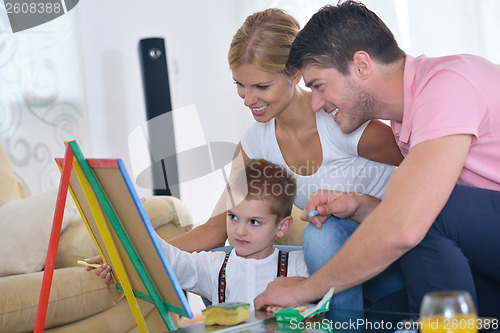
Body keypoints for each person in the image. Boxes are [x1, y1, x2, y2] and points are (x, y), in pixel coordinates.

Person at [87, 8, 404, 310]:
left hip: (395, 253)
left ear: (295, 74)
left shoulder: (345, 123)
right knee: (232, 263)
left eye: (261, 86)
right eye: (240, 85)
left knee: (321, 235)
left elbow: (425, 170)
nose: (248, 99)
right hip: (336, 268)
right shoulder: (257, 142)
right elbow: (216, 228)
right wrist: (133, 257)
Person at [254, 1, 500, 317]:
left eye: (319, 86)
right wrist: (361, 206)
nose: (316, 104)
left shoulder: (447, 86)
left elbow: (411, 223)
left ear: (361, 65)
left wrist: (305, 289)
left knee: (422, 211)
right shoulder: (408, 120)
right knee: (385, 315)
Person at [87, 159, 308, 310]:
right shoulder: (214, 265)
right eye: (232, 217)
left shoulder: (301, 265)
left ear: (282, 227)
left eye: (254, 222)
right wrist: (131, 238)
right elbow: (173, 260)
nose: (240, 230)